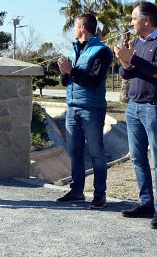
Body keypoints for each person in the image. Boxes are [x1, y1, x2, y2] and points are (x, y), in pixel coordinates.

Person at [114, 1, 157, 229]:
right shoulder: (138, 43)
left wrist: (131, 58)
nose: (131, 22)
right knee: (137, 158)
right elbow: (126, 74)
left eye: (134, 18)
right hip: (134, 107)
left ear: (146, 20)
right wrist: (124, 58)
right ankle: (146, 203)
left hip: (156, 108)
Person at [55, 13, 113, 209]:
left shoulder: (102, 51)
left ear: (82, 28)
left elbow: (93, 80)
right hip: (72, 108)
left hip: (92, 109)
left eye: (75, 26)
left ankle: (99, 195)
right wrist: (64, 72)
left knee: (96, 152)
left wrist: (71, 71)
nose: (73, 29)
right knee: (75, 151)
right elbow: (67, 81)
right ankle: (76, 191)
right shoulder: (73, 51)